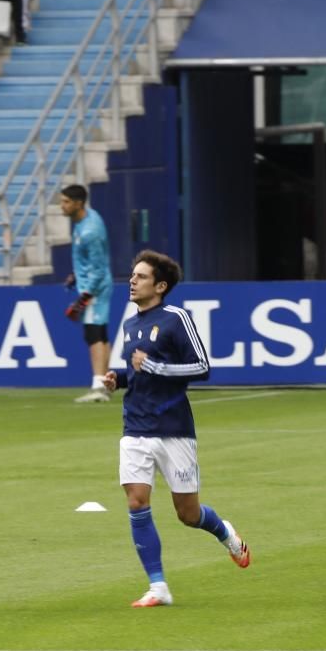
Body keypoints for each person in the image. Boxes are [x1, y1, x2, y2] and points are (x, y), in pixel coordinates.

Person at [102, 250, 250, 608]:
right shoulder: (129, 323)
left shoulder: (176, 318)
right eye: (132, 275)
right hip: (135, 426)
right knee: (137, 502)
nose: (132, 281)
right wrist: (120, 378)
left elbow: (201, 366)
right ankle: (158, 587)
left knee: (188, 514)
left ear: (161, 285)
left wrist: (154, 366)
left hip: (173, 429)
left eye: (140, 276)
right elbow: (140, 373)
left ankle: (226, 533)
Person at [60, 184, 114, 403]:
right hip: (93, 285)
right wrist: (76, 274)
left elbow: (99, 268)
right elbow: (89, 261)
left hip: (96, 289)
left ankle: (99, 387)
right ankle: (106, 383)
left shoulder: (90, 231)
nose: (61, 206)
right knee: (99, 334)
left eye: (65, 202)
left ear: (78, 203)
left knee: (93, 334)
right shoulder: (85, 220)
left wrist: (85, 295)